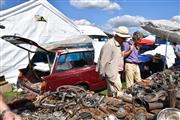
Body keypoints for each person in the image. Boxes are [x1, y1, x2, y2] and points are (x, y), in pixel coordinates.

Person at [97, 26, 130, 97]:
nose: (124, 40)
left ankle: (108, 104)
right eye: (123, 38)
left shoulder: (118, 44)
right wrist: (102, 74)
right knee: (118, 92)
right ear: (117, 36)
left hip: (115, 71)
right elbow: (103, 61)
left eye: (125, 38)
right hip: (111, 73)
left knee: (111, 93)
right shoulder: (109, 45)